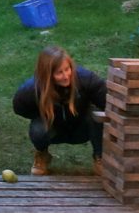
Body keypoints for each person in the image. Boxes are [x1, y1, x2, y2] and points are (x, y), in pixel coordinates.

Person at [12, 45, 106, 176]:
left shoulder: (87, 79)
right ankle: (42, 154)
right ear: (47, 75)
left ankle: (100, 158)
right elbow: (19, 108)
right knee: (38, 128)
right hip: (54, 130)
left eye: (67, 69)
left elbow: (108, 103)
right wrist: (42, 115)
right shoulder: (32, 89)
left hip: (82, 128)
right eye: (59, 73)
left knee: (97, 116)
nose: (66, 76)